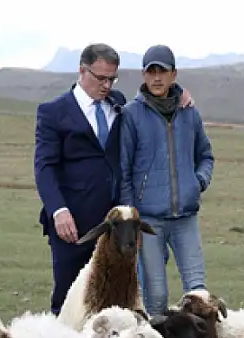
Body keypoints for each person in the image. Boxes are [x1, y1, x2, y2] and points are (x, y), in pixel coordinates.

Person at [33, 44, 195, 315]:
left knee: (116, 301)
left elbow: (151, 102)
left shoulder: (119, 104)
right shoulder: (53, 112)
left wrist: (180, 96)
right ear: (82, 71)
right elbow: (44, 167)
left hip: (114, 229)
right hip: (72, 225)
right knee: (69, 300)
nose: (107, 85)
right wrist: (58, 211)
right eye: (100, 78)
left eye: (112, 78)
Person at [119, 44, 214, 317]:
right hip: (149, 222)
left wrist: (197, 182)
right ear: (143, 75)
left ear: (174, 74)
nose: (157, 78)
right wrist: (131, 218)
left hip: (186, 218)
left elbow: (206, 155)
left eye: (163, 71)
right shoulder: (131, 115)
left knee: (198, 292)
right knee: (156, 297)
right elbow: (124, 169)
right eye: (151, 72)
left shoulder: (189, 113)